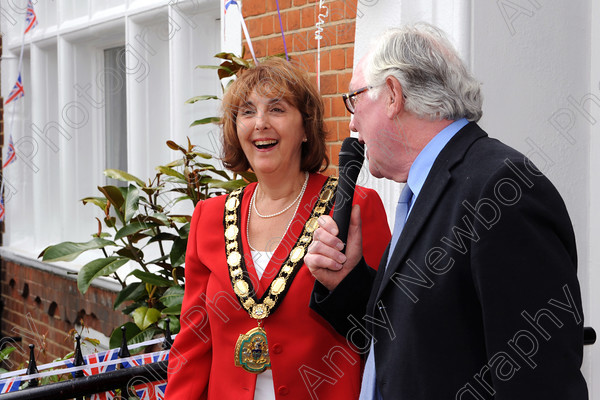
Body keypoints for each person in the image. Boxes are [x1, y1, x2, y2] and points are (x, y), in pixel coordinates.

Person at [305, 23, 588, 399]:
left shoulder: (502, 191)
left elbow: (539, 379)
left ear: (392, 94)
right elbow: (421, 337)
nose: (352, 122)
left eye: (354, 99)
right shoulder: (427, 188)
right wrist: (347, 282)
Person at [165, 57, 391, 400]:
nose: (260, 123)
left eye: (277, 109)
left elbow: (387, 328)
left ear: (305, 128)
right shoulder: (208, 217)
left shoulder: (355, 207)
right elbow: (193, 345)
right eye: (247, 112)